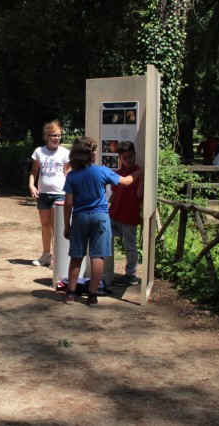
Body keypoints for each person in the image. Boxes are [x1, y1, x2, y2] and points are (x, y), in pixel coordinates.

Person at [62, 137, 141, 306]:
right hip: (101, 217)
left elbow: (68, 203)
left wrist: (66, 225)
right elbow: (126, 182)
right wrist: (141, 172)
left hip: (80, 218)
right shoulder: (102, 171)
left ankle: (70, 293)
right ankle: (92, 295)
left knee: (76, 256)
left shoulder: (72, 176)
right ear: (91, 154)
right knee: (97, 256)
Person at [28, 120, 71, 267]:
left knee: (56, 227)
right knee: (45, 226)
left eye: (58, 135)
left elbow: (68, 173)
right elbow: (34, 172)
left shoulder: (66, 153)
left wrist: (70, 191)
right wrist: (31, 186)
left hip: (60, 194)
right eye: (53, 135)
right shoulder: (39, 151)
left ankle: (57, 258)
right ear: (47, 136)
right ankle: (46, 255)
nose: (56, 138)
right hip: (43, 194)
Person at [109, 141, 143, 286]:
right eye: (125, 158)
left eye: (130, 157)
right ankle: (104, 269)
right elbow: (114, 194)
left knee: (130, 246)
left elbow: (139, 194)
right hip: (115, 213)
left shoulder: (138, 172)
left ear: (134, 155)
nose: (128, 160)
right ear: (120, 158)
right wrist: (107, 207)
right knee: (106, 237)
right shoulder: (118, 173)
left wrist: (142, 178)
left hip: (129, 215)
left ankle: (131, 275)